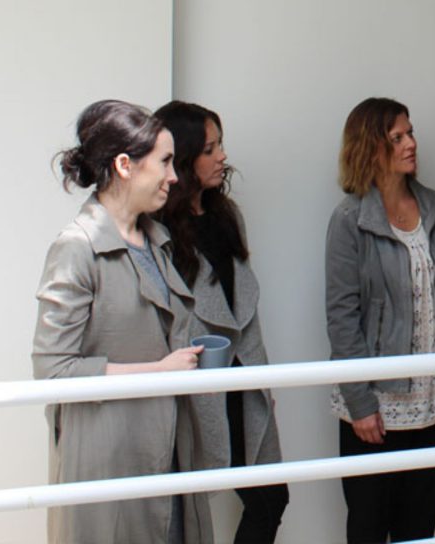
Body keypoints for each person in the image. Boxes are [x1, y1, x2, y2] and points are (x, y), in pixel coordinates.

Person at [32, 100, 213, 544]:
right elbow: (53, 371)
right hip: (109, 462)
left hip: (169, 454)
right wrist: (159, 372)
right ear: (125, 165)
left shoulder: (156, 241)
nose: (174, 176)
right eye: (165, 162)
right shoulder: (76, 248)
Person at [325, 97, 435, 544]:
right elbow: (341, 317)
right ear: (370, 148)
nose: (411, 143)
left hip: (434, 400)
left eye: (409, 133)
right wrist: (360, 403)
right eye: (397, 137)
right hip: (376, 405)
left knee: (419, 528)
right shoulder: (350, 219)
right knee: (368, 526)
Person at [155, 100, 289, 543]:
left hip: (242, 377)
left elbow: (244, 307)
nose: (222, 157)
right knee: (187, 509)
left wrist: (261, 382)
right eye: (210, 149)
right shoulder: (158, 231)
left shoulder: (227, 215)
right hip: (197, 383)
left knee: (271, 496)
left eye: (220, 145)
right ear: (184, 158)